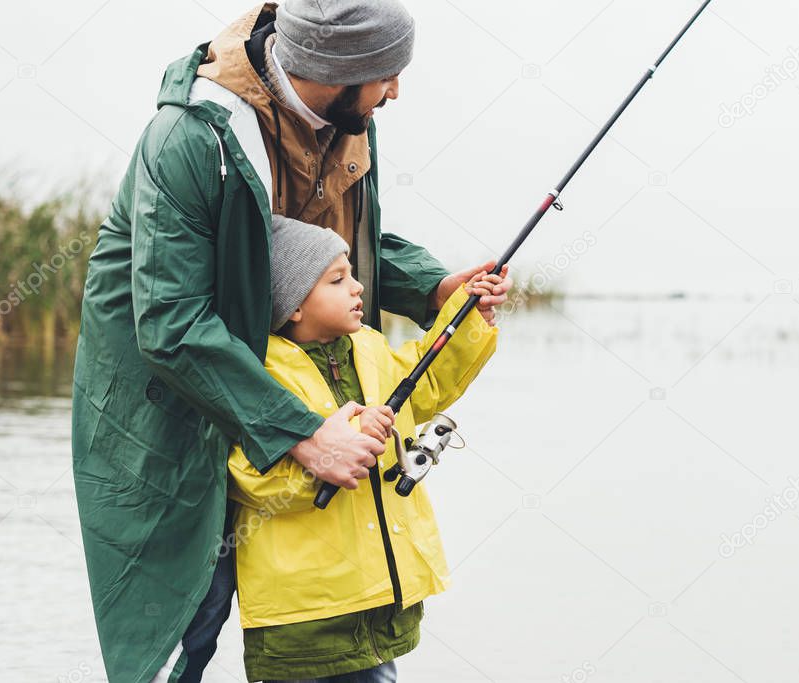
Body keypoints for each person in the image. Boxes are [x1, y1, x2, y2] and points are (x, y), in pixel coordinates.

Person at [72, 1, 513, 681]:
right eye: (386, 74)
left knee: (329, 635)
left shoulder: (347, 120)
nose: (396, 90)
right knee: (178, 631)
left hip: (290, 405)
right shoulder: (189, 139)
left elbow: (334, 252)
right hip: (170, 418)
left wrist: (433, 288)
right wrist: (305, 434)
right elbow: (169, 320)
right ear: (335, 71)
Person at [225, 215, 502, 682]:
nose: (358, 288)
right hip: (302, 618)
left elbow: (426, 379)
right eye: (338, 279)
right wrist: (330, 461)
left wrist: (468, 318)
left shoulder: (369, 347)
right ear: (292, 305)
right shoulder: (262, 374)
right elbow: (250, 477)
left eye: (353, 273)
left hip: (374, 604)